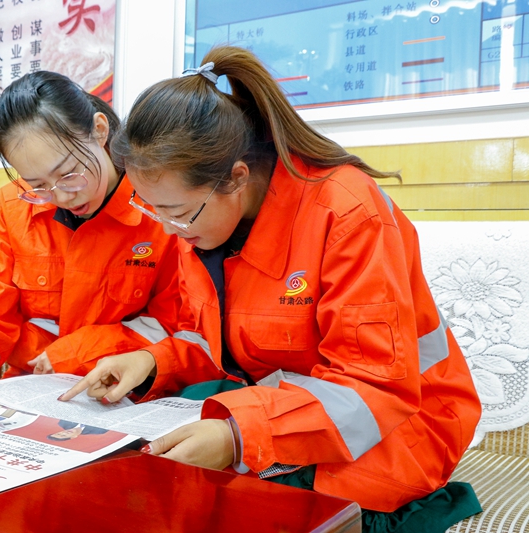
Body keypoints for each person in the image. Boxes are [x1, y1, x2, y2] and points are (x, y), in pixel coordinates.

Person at [60, 46, 482, 531]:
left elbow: (374, 389)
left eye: (176, 212)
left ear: (236, 178)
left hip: (398, 421)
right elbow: (220, 339)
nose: (168, 230)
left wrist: (239, 437)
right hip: (291, 402)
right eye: (153, 210)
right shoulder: (200, 222)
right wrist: (156, 361)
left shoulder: (346, 212)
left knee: (235, 505)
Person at [0, 70, 186, 395]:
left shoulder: (158, 208)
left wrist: (73, 354)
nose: (60, 196)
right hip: (28, 389)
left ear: (100, 131)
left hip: (123, 393)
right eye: (37, 186)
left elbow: (170, 325)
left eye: (69, 174)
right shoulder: (9, 207)